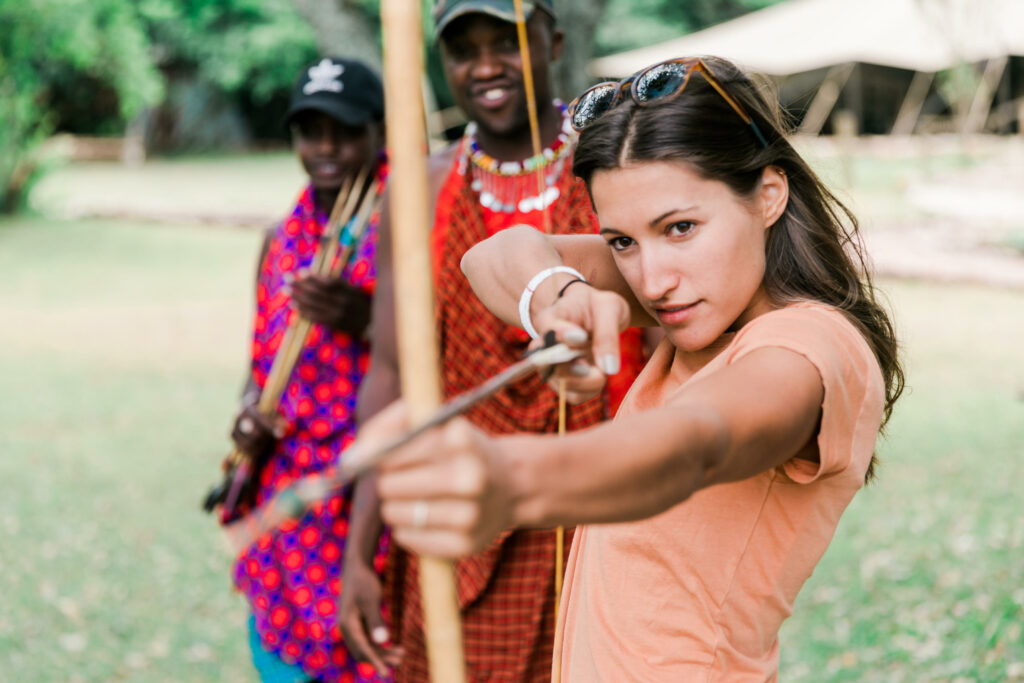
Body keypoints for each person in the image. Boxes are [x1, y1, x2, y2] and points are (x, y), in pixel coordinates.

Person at [362, 56, 905, 681]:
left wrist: (508, 479)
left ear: (768, 196)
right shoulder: (706, 300)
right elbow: (492, 256)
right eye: (622, 240)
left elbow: (693, 444)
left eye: (681, 228)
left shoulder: (811, 347)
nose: (651, 281)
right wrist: (559, 301)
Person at [338, 2, 645, 681]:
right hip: (464, 520)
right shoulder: (421, 187)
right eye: (461, 49)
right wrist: (360, 550)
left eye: (505, 42)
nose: (483, 66)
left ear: (553, 40)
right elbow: (391, 372)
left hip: (611, 504)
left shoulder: (619, 166)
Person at [226, 56, 391, 683]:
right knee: (282, 653)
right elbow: (259, 364)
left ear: (379, 131)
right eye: (310, 130)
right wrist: (249, 415)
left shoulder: (407, 224)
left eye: (345, 130)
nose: (326, 148)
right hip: (288, 493)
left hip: (370, 490)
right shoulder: (280, 240)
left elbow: (442, 355)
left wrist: (367, 320)